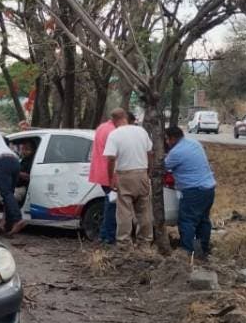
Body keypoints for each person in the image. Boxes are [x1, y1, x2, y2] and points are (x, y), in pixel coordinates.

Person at [164, 125, 217, 258]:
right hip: (209, 188)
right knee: (203, 220)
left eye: (167, 140)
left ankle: (187, 251)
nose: (166, 143)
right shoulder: (194, 143)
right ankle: (201, 251)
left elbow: (163, 167)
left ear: (173, 138)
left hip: (193, 190)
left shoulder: (176, 152)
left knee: (187, 220)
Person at [103, 111, 154, 244]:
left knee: (124, 211)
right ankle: (145, 241)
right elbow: (150, 152)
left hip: (125, 175)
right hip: (142, 173)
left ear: (114, 120)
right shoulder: (141, 131)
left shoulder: (114, 134)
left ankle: (124, 242)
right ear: (126, 118)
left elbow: (110, 158)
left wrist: (111, 179)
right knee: (144, 210)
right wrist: (148, 171)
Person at [89, 109, 123, 244]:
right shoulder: (113, 132)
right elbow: (112, 157)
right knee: (112, 205)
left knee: (109, 203)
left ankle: (104, 234)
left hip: (99, 171)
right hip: (109, 173)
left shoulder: (101, 127)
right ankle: (108, 236)